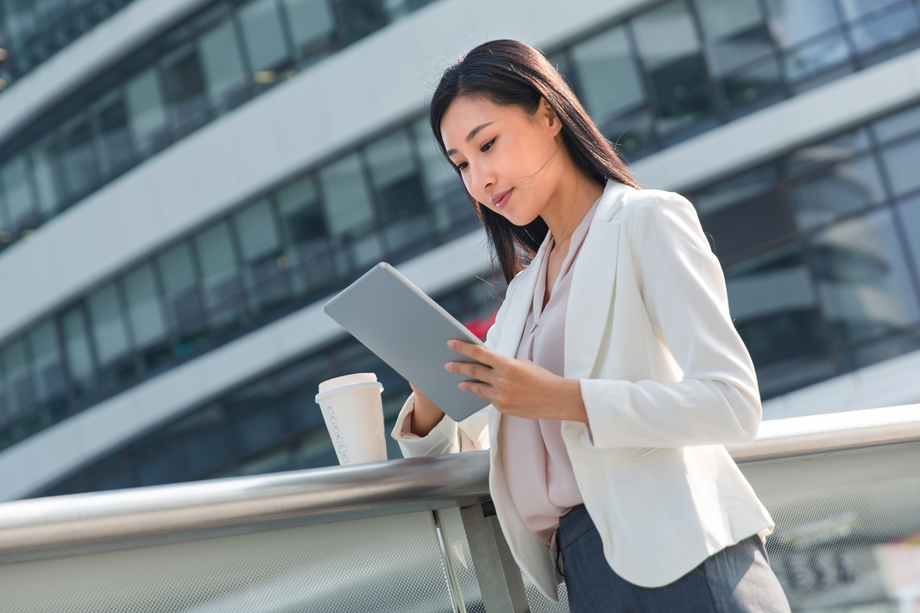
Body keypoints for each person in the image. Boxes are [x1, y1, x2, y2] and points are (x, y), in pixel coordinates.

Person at [391, 39, 792, 612]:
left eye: (487, 144)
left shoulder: (645, 221)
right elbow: (465, 460)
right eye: (461, 164)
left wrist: (566, 399)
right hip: (584, 574)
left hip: (680, 555)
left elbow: (732, 403)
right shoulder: (525, 297)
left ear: (549, 114)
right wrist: (431, 394)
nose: (478, 178)